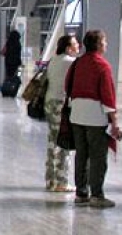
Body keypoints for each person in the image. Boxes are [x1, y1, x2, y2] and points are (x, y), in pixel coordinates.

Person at [67, 29, 120, 209]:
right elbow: (107, 95)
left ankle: (81, 193)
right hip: (95, 116)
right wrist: (114, 121)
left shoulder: (77, 63)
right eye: (104, 41)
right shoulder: (102, 66)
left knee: (81, 154)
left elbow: (68, 86)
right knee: (97, 156)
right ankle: (97, 195)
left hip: (76, 115)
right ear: (98, 44)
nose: (106, 44)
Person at [45, 34, 79, 193]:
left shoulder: (53, 60)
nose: (78, 46)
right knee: (63, 142)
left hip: (49, 102)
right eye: (75, 44)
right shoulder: (70, 62)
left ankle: (50, 180)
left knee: (52, 142)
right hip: (60, 104)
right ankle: (61, 182)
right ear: (68, 48)